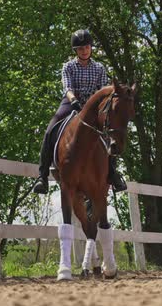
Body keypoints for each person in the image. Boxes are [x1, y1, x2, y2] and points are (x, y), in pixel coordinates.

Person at [32, 29, 127, 194]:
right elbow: (67, 87)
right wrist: (74, 100)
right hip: (71, 102)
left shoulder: (99, 68)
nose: (84, 50)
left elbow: (102, 90)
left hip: (93, 107)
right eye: (81, 48)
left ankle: (113, 174)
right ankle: (42, 177)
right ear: (76, 50)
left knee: (108, 133)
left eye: (87, 47)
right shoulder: (68, 66)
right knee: (50, 129)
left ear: (91, 48)